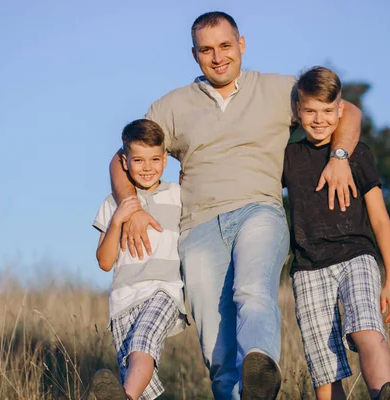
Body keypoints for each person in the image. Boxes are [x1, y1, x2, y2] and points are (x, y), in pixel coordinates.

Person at [110, 12, 363, 400]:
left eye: (225, 46)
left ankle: (259, 368)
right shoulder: (172, 106)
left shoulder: (280, 90)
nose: (217, 57)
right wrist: (130, 204)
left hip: (258, 210)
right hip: (198, 227)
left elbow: (347, 111)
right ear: (194, 54)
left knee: (252, 289)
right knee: (215, 340)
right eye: (206, 49)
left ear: (241, 45)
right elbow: (121, 157)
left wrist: (340, 156)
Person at [283, 66, 390, 400]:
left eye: (326, 111)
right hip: (308, 268)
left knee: (368, 329)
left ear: (341, 110)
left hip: (356, 257)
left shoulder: (357, 154)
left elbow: (380, 220)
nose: (318, 119)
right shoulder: (288, 158)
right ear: (297, 111)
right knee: (324, 366)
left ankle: (384, 395)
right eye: (310, 111)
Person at [91, 119, 187, 400]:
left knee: (142, 344)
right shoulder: (112, 204)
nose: (147, 167)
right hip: (124, 300)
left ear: (165, 160)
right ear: (124, 161)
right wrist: (118, 220)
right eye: (139, 160)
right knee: (139, 380)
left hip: (164, 291)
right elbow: (105, 262)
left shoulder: (178, 196)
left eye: (155, 159)